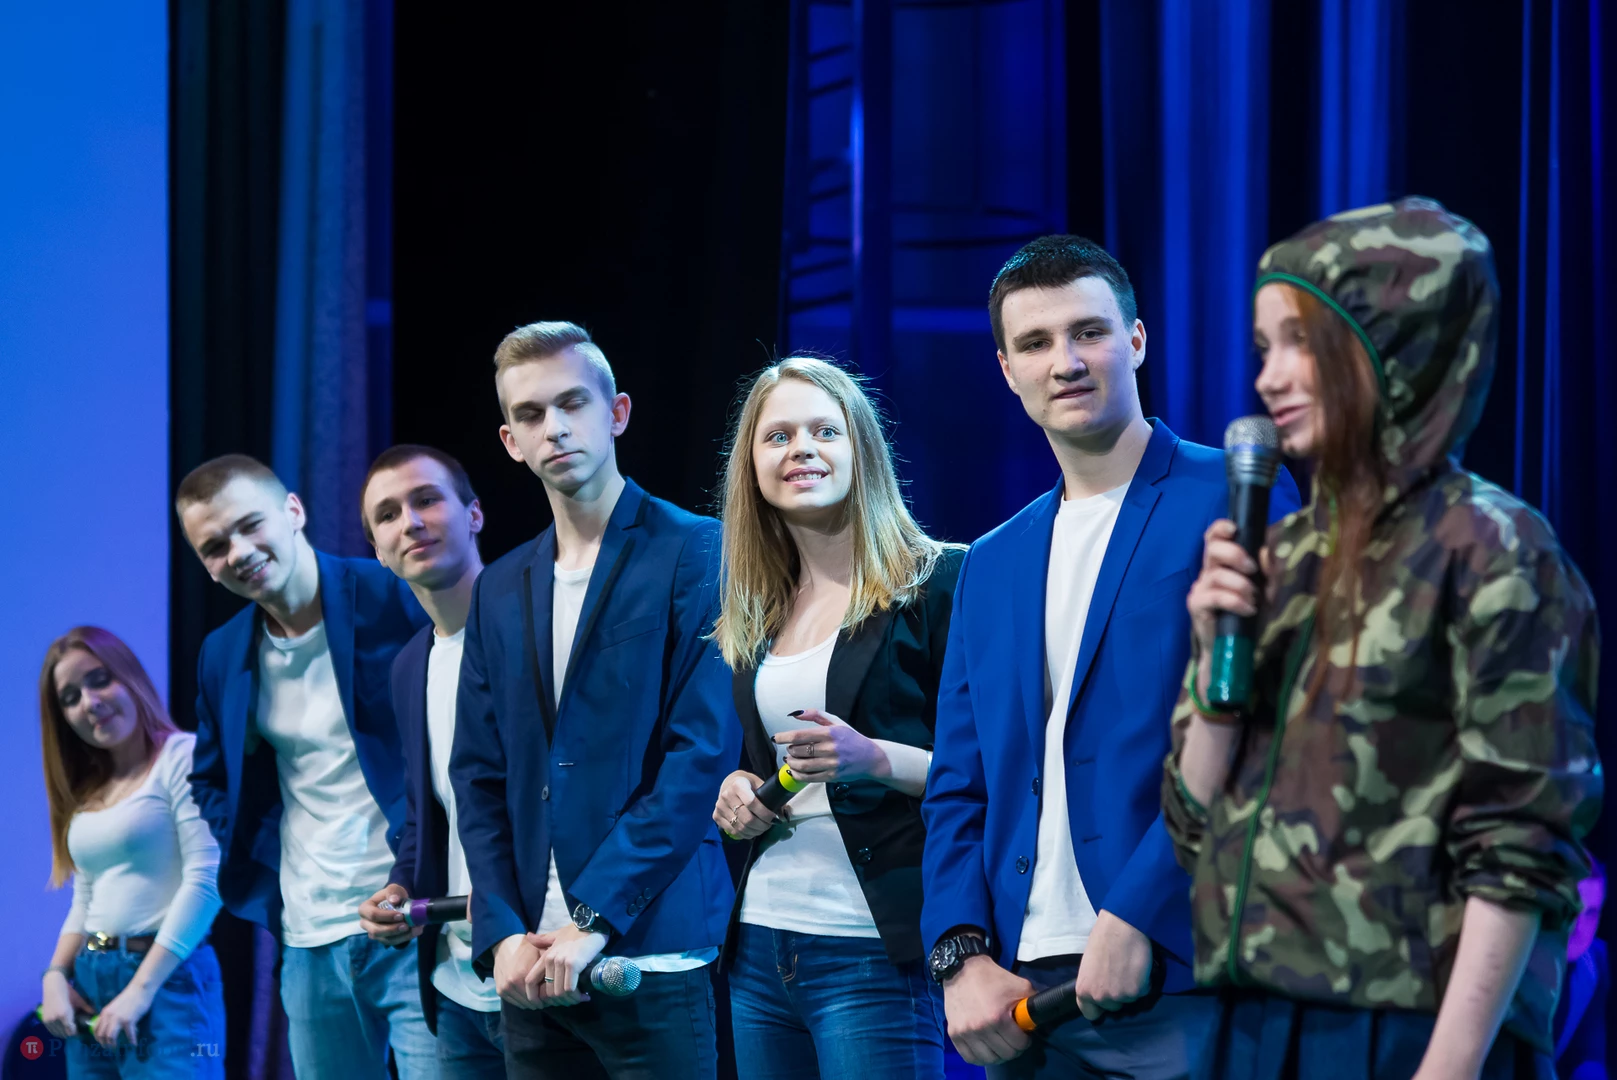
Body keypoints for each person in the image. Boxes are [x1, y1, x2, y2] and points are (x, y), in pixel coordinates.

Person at [1163, 197, 1602, 1080]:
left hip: (1407, 1032)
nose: (1268, 379)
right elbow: (1192, 826)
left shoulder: (1490, 547)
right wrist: (1215, 657)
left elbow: (1518, 846)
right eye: (1261, 349)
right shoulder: (1280, 552)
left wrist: (1448, 1067)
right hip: (1254, 1024)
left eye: (1299, 343)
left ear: (1391, 348)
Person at [920, 235, 1300, 1079]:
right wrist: (959, 953)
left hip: (1183, 968)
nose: (1065, 361)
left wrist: (1136, 912)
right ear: (1006, 370)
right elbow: (958, 782)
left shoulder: (1233, 494)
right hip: (1020, 993)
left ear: (1134, 340)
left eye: (1088, 332)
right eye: (1035, 343)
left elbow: (1262, 735)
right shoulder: (989, 559)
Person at [450, 321, 739, 1079]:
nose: (554, 427)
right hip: (529, 965)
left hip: (648, 952)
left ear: (617, 412)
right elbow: (477, 774)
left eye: (572, 403)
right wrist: (500, 932)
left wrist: (595, 917)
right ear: (511, 441)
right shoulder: (499, 587)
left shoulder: (696, 548)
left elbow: (699, 753)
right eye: (531, 414)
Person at [710, 356, 963, 1079]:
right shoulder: (759, 609)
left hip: (872, 946)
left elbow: (993, 770)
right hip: (760, 943)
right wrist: (741, 786)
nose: (802, 449)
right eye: (778, 436)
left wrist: (874, 758)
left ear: (861, 450)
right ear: (752, 465)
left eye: (824, 431)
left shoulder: (939, 582)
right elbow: (772, 764)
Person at [175, 454, 436, 1080]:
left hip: (414, 917)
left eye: (250, 526)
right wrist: (274, 869)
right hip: (308, 937)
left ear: (293, 511)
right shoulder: (223, 653)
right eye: (215, 546)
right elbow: (209, 780)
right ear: (206, 566)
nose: (239, 552)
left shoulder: (392, 594)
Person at [354, 445, 503, 1077]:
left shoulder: (535, 627)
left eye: (426, 500)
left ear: (474, 514)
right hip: (453, 983)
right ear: (379, 552)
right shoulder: (409, 664)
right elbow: (426, 815)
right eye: (388, 515)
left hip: (537, 963)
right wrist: (401, 887)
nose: (410, 522)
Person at [37, 627, 226, 1077]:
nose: (90, 703)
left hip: (167, 981)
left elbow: (207, 878)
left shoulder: (181, 756)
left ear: (131, 677)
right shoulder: (90, 789)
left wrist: (140, 990)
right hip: (91, 981)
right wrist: (55, 975)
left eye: (99, 680)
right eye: (70, 698)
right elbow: (86, 897)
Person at [1554, 857, 1607, 1080]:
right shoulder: (1514, 959)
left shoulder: (1594, 963)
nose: (1579, 928)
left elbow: (1587, 1053)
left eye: (1591, 914)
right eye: (1571, 911)